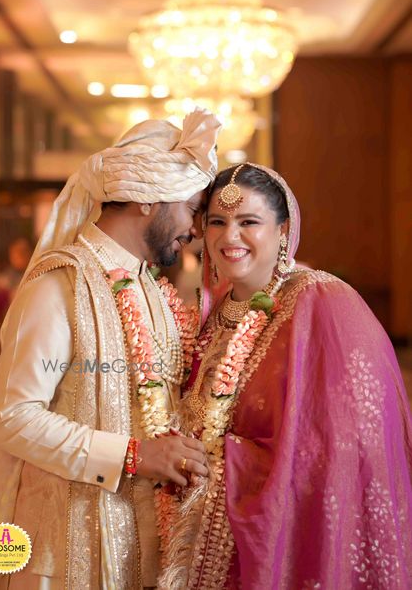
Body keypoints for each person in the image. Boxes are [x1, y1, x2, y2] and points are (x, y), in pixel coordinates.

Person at [0, 108, 221, 589]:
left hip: (137, 545)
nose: (196, 229)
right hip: (61, 551)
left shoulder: (152, 290)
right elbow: (11, 417)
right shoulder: (60, 284)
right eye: (191, 208)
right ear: (148, 199)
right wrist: (132, 456)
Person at [159, 163, 412, 589]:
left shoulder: (322, 302)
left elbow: (350, 445)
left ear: (283, 230)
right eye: (217, 222)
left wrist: (219, 462)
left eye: (249, 222)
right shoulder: (217, 313)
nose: (229, 236)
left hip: (289, 546)